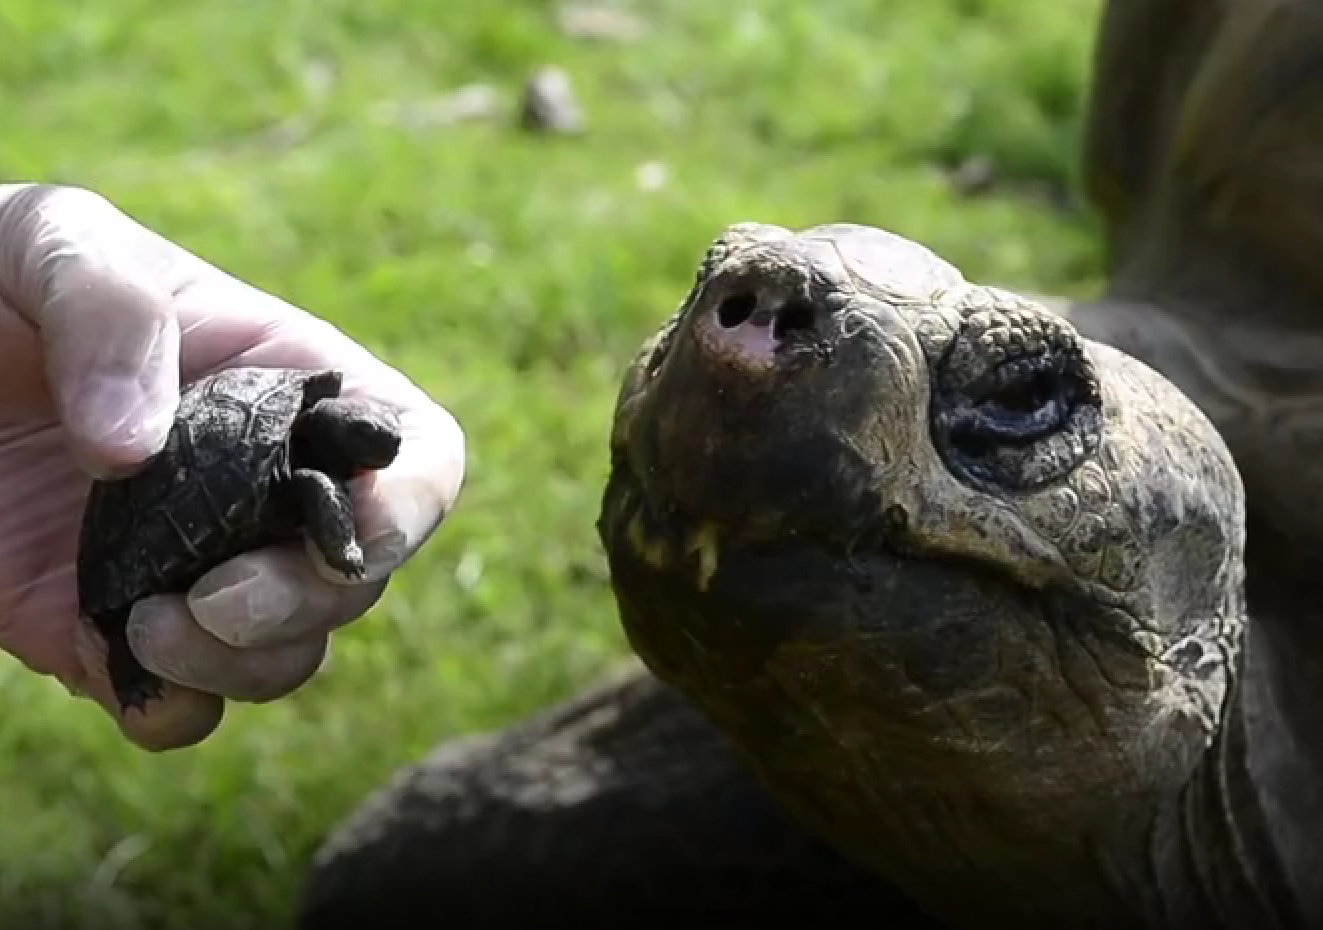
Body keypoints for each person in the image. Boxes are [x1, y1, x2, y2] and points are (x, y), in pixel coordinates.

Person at [0, 183, 466, 751]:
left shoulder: (291, 417)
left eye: (379, 440)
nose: (383, 451)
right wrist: (342, 546)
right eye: (370, 441)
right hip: (131, 531)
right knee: (128, 626)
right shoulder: (307, 476)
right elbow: (313, 489)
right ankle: (128, 667)